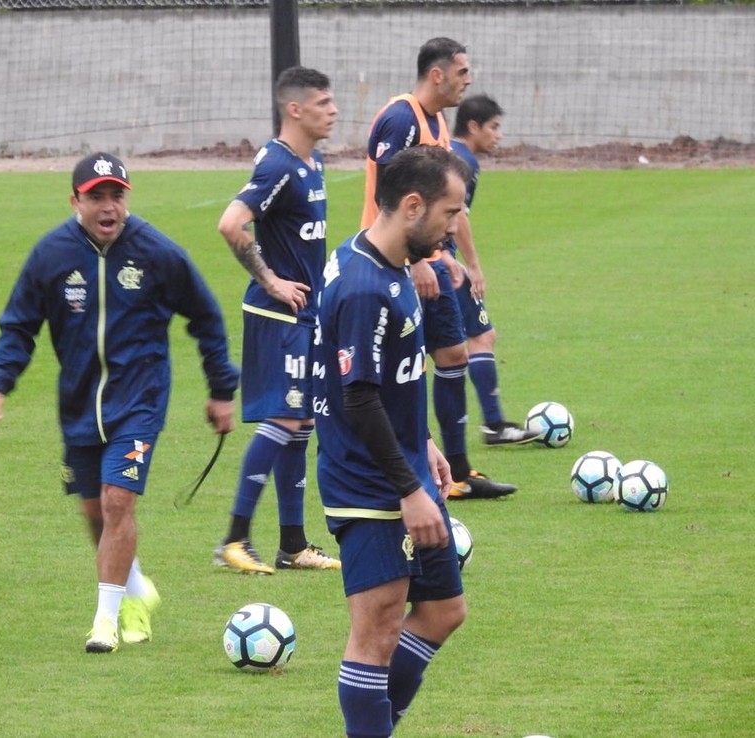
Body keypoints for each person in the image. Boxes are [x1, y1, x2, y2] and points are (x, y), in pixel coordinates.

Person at [0, 152, 239, 654]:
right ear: (75, 200)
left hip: (140, 401)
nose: (108, 206)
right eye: (96, 196)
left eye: (116, 195)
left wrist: (221, 390)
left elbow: (206, 316)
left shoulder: (158, 253)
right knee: (96, 513)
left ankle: (105, 622)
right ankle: (135, 588)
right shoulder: (51, 255)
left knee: (119, 502)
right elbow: (19, 325)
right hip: (77, 405)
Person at [315, 145, 470, 738]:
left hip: (402, 464)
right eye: (449, 213)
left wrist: (423, 437)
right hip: (370, 483)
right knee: (376, 633)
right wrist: (409, 491)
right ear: (412, 205)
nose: (453, 227)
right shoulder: (361, 287)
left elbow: (393, 375)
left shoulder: (394, 265)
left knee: (441, 612)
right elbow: (358, 399)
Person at [362, 37, 519, 500]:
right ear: (438, 74)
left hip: (431, 259)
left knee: (453, 355)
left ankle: (460, 472)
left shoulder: (436, 120)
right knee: (405, 368)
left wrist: (449, 256)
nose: (468, 80)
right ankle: (411, 471)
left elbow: (435, 203)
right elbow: (388, 200)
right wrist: (416, 261)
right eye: (462, 71)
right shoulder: (400, 117)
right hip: (396, 266)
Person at [213, 66, 340, 575]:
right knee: (285, 418)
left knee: (301, 422)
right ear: (296, 110)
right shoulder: (280, 166)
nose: (333, 111)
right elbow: (231, 223)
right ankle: (234, 539)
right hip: (277, 312)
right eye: (324, 103)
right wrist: (271, 281)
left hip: (305, 312)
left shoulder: (314, 162)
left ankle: (293, 545)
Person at [450, 94, 538, 444]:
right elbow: (458, 215)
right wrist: (473, 265)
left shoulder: (453, 153)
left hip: (432, 260)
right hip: (442, 264)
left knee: (455, 346)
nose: (499, 135)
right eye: (494, 127)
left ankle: (492, 424)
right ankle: (494, 425)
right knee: (480, 337)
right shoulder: (464, 162)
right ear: (473, 127)